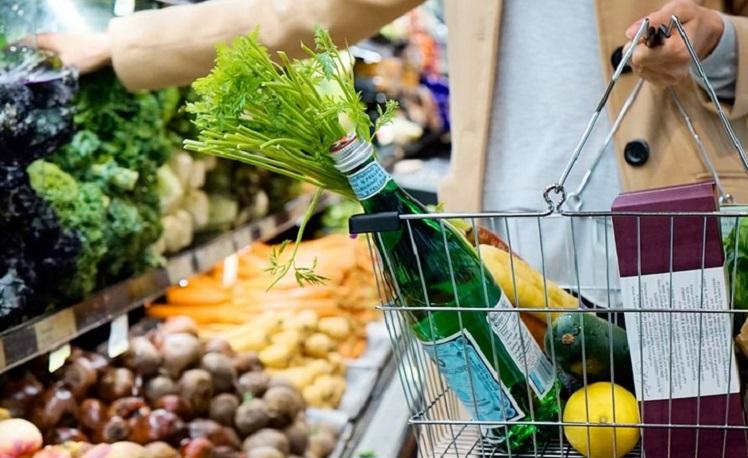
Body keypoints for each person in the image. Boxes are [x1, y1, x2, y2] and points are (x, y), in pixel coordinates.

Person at [34, 0, 748, 304]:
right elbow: (299, 14)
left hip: (694, 246)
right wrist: (123, 45)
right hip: (506, 255)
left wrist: (725, 46)